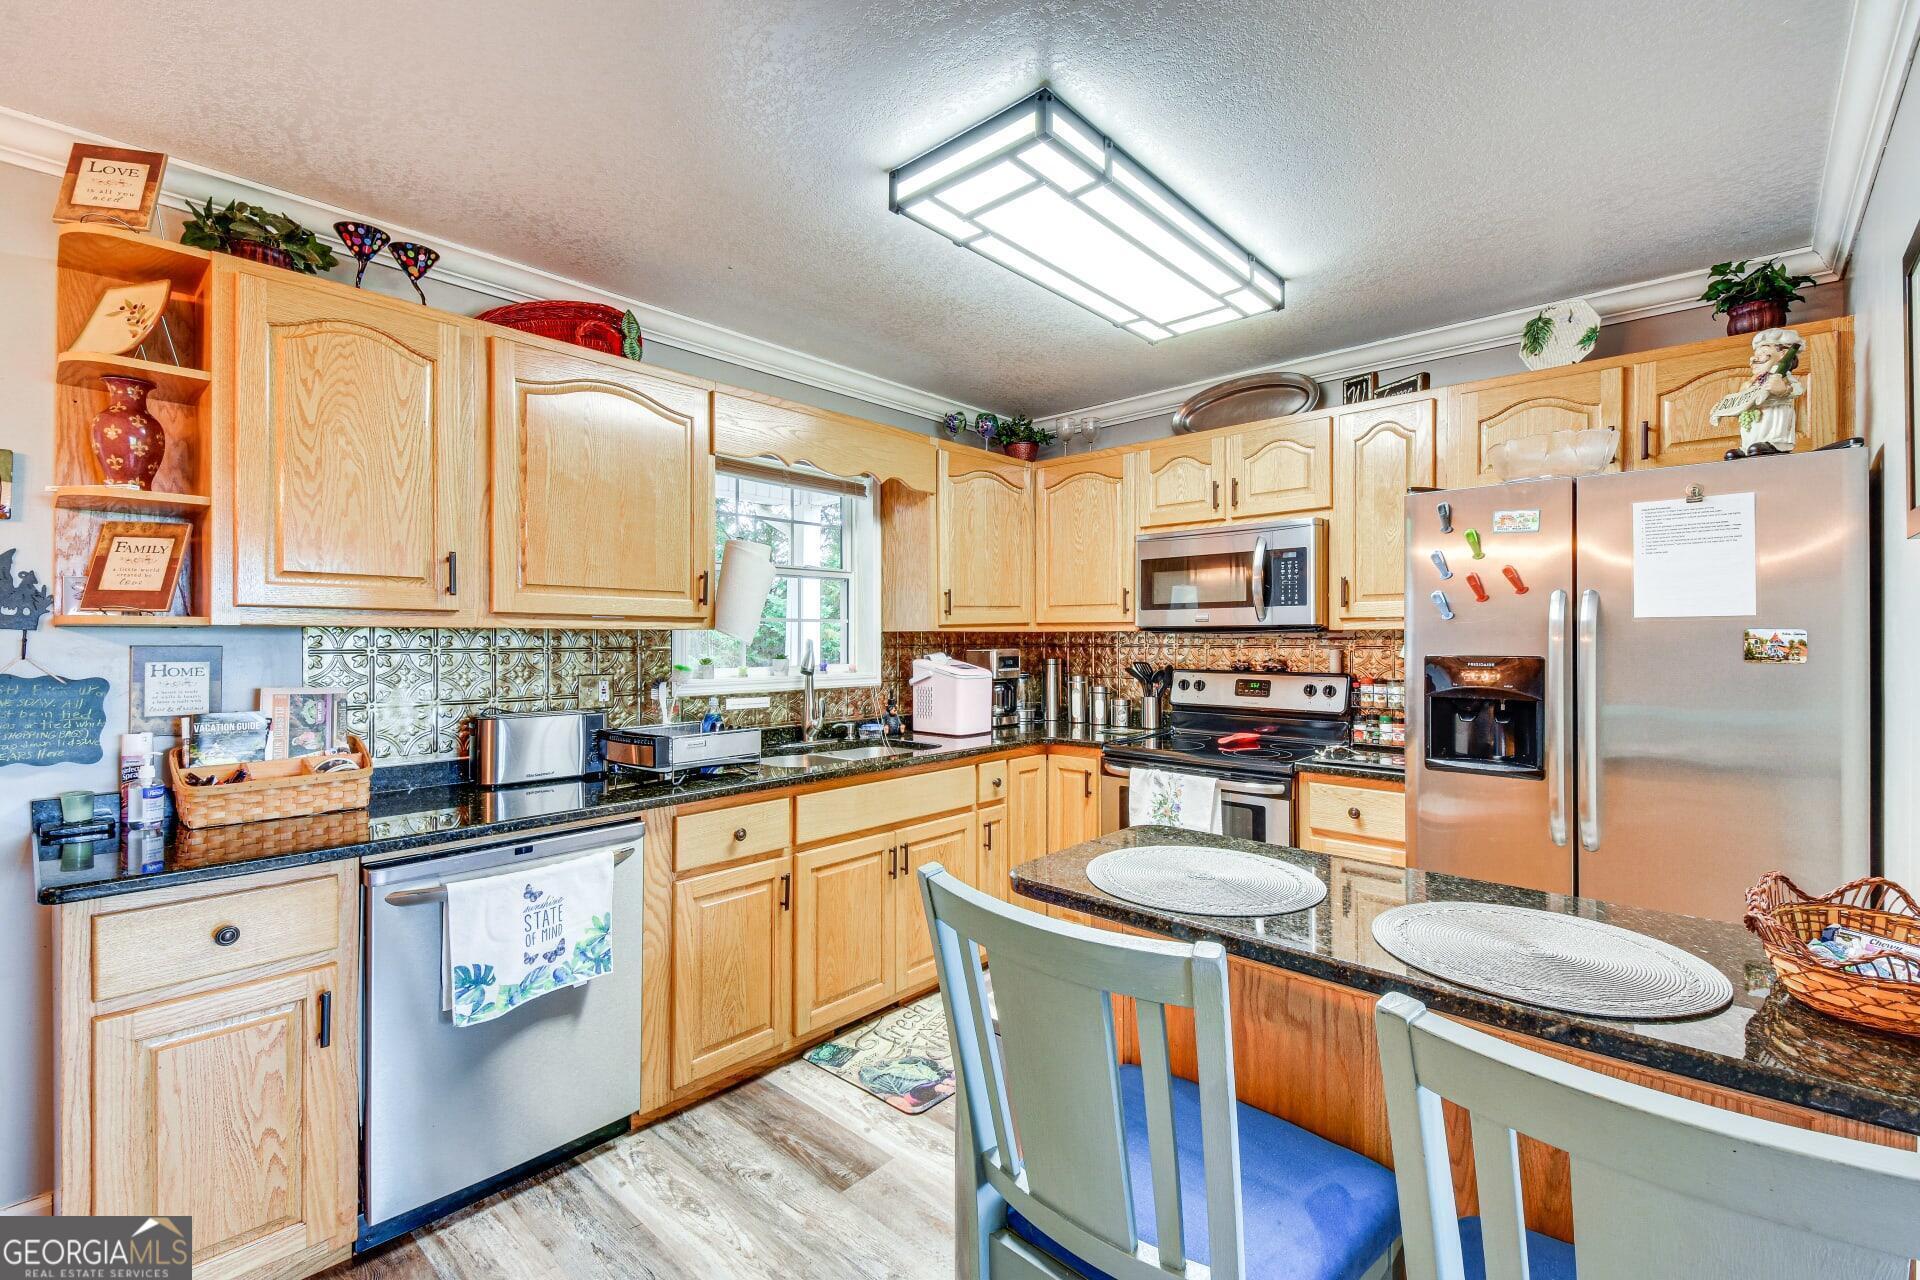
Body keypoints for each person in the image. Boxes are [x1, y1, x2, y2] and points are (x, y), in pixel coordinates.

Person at [1710, 327, 1805, 456]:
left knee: (1768, 426)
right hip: (1755, 420)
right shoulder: (1755, 379)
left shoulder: (1782, 376)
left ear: (1783, 354)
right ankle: (1747, 446)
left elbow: (1798, 389)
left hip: (1774, 419)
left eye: (1763, 353)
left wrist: (1783, 389)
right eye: (1755, 355)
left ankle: (1774, 444)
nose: (1755, 358)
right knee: (1752, 431)